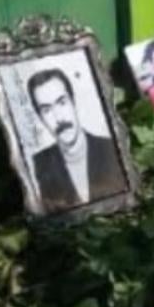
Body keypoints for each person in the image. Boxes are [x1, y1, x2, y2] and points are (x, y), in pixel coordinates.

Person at [26, 68, 129, 212]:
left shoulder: (110, 148)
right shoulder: (42, 163)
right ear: (40, 118)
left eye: (62, 102)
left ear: (73, 102)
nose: (59, 117)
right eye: (47, 110)